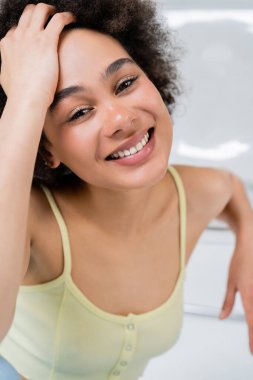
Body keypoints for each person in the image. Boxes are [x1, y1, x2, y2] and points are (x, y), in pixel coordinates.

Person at [0, 1, 253, 379]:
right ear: (44, 147)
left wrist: (248, 239)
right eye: (79, 112)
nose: (122, 119)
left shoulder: (197, 191)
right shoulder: (32, 221)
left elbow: (231, 188)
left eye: (125, 83)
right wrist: (24, 101)